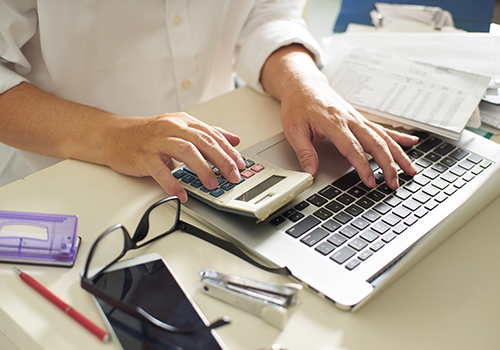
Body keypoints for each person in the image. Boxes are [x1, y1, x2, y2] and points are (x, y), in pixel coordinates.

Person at [0, 0, 418, 201]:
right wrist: (111, 135)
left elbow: (264, 14)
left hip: (221, 160)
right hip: (62, 178)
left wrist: (303, 85)